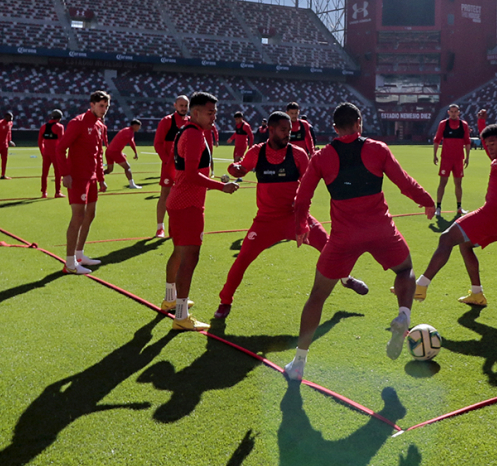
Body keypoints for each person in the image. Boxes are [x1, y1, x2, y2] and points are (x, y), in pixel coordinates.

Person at [283, 103, 437, 380]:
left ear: (334, 128)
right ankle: (403, 314)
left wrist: (301, 227)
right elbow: (404, 183)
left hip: (344, 237)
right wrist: (426, 200)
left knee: (318, 296)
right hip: (381, 230)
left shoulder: (322, 157)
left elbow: (301, 198)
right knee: (405, 270)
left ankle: (299, 364)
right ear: (359, 123)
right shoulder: (378, 148)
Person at [215, 111, 367, 319]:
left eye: (290, 129)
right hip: (266, 221)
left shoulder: (297, 154)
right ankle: (225, 301)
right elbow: (241, 169)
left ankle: (345, 278)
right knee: (242, 259)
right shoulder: (257, 152)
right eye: (284, 130)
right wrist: (235, 169)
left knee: (330, 247)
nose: (289, 133)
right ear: (271, 129)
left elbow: (309, 184)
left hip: (296, 217)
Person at [415, 124, 497, 306]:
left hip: (495, 215)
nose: (489, 147)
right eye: (487, 143)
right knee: (464, 245)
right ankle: (477, 294)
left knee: (446, 238)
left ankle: (420, 286)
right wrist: (482, 123)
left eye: (493, 143)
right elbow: (488, 146)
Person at [163, 92, 240, 331]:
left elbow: (190, 171)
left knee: (179, 253)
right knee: (190, 258)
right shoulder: (194, 134)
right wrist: (222, 186)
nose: (214, 116)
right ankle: (181, 316)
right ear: (195, 113)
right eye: (210, 112)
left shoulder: (188, 131)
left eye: (215, 111)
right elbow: (192, 175)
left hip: (179, 201)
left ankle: (171, 299)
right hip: (189, 204)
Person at [58, 92, 112, 275]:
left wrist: (101, 178)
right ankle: (70, 263)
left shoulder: (100, 126)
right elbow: (60, 149)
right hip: (78, 178)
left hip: (92, 178)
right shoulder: (78, 122)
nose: (104, 109)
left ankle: (79, 255)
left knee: (90, 215)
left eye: (106, 106)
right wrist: (65, 174)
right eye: (101, 105)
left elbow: (98, 155)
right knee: (78, 217)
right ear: (92, 105)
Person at [153, 95, 191, 238]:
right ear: (175, 105)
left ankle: (178, 226)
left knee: (184, 196)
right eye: (181, 105)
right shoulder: (167, 121)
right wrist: (167, 161)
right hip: (170, 166)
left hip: (185, 167)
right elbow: (157, 143)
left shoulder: (190, 122)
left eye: (185, 106)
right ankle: (160, 227)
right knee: (165, 195)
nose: (183, 108)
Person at [431, 104, 472, 213]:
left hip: (458, 159)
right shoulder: (443, 124)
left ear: (459, 112)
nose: (454, 113)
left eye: (455, 111)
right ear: (448, 112)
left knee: (458, 183)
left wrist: (467, 157)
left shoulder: (464, 125)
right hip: (446, 158)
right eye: (452, 111)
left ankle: (459, 207)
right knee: (443, 182)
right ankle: (438, 207)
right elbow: (437, 140)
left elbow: (467, 142)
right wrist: (434, 154)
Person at [103, 119, 143, 190]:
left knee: (109, 170)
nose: (139, 128)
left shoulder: (126, 130)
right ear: (134, 126)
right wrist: (135, 153)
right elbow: (131, 142)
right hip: (115, 152)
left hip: (109, 151)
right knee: (127, 167)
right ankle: (132, 184)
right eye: (138, 126)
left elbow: (117, 142)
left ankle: (94, 177)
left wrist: (121, 153)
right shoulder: (130, 132)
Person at [38, 109, 65, 199]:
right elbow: (62, 142)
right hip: (55, 153)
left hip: (46, 152)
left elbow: (39, 141)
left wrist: (42, 151)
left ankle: (44, 193)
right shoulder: (59, 127)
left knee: (44, 173)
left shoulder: (43, 127)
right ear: (59, 118)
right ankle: (57, 192)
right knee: (58, 173)